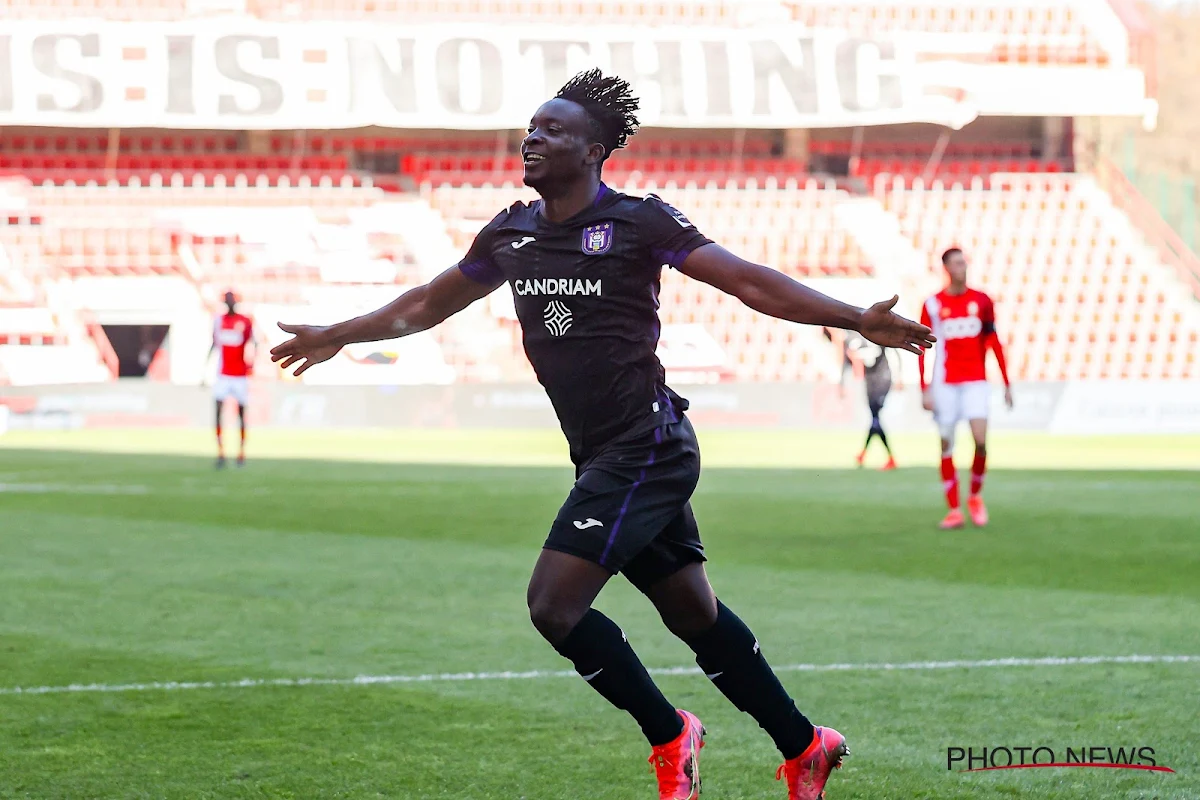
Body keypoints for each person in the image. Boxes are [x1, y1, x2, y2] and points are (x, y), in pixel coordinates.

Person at [271, 70, 934, 800]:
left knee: (553, 605)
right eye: (532, 126)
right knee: (691, 611)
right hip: (602, 452)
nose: (534, 137)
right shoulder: (512, 231)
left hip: (647, 446)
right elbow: (430, 302)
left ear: (593, 151)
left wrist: (853, 318)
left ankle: (670, 733)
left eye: (553, 130)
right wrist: (338, 333)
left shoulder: (639, 222)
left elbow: (746, 281)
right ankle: (805, 746)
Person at [918, 248, 1013, 530]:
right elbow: (923, 348)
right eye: (957, 263)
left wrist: (1006, 383)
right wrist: (924, 387)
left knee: (980, 440)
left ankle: (974, 496)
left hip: (975, 381)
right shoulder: (933, 305)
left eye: (964, 262)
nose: (963, 267)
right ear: (946, 268)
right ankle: (954, 510)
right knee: (946, 444)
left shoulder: (981, 301)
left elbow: (993, 341)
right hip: (945, 383)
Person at [825, 328, 899, 470]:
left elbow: (893, 351)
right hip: (869, 382)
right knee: (875, 420)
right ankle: (870, 455)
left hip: (883, 379)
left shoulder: (872, 333)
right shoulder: (850, 341)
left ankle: (873, 456)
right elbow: (845, 364)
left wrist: (898, 375)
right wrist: (841, 384)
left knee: (875, 417)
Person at [208, 290, 256, 468]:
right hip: (222, 375)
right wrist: (206, 369)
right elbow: (214, 344)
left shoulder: (245, 322)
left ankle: (241, 453)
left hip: (240, 376)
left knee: (241, 415)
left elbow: (253, 343)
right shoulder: (218, 321)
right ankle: (220, 453)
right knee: (218, 413)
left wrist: (252, 363)